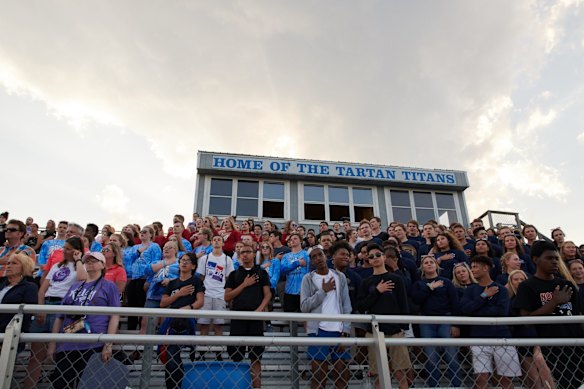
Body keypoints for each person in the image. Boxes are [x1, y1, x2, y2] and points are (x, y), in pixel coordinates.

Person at [514, 240, 584, 389]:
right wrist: (553, 303)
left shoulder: (567, 284)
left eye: (556, 258)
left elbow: (579, 314)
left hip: (577, 344)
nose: (554, 262)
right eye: (549, 258)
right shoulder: (527, 286)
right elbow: (526, 320)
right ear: (535, 259)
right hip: (551, 349)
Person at [47, 251, 120, 389]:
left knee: (87, 384)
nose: (90, 263)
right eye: (87, 261)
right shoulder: (75, 286)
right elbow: (60, 316)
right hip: (67, 343)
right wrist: (52, 343)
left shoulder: (109, 286)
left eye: (94, 260)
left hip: (93, 344)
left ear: (103, 265)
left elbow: (115, 316)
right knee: (61, 384)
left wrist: (108, 344)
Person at [25, 236, 88, 389]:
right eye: (64, 248)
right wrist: (41, 308)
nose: (64, 251)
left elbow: (82, 278)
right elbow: (43, 289)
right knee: (36, 354)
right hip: (47, 304)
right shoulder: (56, 266)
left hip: (64, 308)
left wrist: (78, 260)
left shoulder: (81, 266)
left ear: (76, 251)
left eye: (68, 248)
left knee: (59, 354)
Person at [460, 255, 521, 389]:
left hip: (501, 337)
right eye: (471, 267)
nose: (472, 270)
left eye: (475, 267)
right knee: (481, 380)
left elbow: (501, 312)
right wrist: (484, 296)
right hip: (479, 338)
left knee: (505, 381)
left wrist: (476, 311)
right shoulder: (470, 290)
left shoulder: (501, 289)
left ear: (485, 268)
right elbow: (465, 309)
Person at [356, 243, 411, 389]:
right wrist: (377, 291)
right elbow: (361, 306)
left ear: (384, 257)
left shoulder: (396, 279)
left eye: (378, 255)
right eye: (371, 256)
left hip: (395, 331)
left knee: (400, 373)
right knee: (379, 374)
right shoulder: (365, 282)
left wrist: (404, 328)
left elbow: (403, 303)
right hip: (374, 331)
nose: (375, 258)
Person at [300, 246, 352, 389]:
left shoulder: (339, 276)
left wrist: (346, 330)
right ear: (311, 261)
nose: (318, 258)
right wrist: (323, 291)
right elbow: (304, 306)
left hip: (339, 331)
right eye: (314, 256)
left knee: (342, 375)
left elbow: (346, 305)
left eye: (320, 255)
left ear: (325, 256)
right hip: (318, 331)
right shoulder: (307, 279)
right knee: (318, 376)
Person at [224, 242, 271, 388]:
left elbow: (268, 295)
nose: (245, 254)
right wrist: (244, 284)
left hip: (255, 320)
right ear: (239, 255)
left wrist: (259, 310)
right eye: (242, 252)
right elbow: (227, 297)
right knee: (236, 358)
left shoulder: (261, 273)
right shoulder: (233, 274)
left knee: (255, 358)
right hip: (238, 319)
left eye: (248, 251)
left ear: (254, 254)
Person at [411, 255, 461, 387]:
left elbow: (454, 303)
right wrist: (429, 288)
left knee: (451, 355)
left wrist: (455, 324)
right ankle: (434, 385)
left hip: (446, 319)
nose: (429, 264)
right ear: (422, 268)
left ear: (436, 265)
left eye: (431, 262)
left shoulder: (446, 282)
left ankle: (457, 385)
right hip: (427, 321)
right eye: (426, 263)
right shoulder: (419, 284)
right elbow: (416, 300)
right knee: (431, 356)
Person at [159, 252, 205, 389]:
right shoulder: (172, 283)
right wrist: (179, 293)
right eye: (182, 260)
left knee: (173, 357)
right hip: (171, 323)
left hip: (186, 322)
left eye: (187, 261)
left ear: (193, 266)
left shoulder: (196, 281)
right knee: (171, 357)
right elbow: (163, 303)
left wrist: (188, 308)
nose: (184, 263)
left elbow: (200, 302)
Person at [506, 269, 554, 389]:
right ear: (510, 282)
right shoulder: (509, 300)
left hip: (537, 335)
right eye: (516, 279)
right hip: (520, 338)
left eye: (522, 279)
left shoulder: (534, 297)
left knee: (541, 363)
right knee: (531, 374)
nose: (519, 281)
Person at [196, 235, 234, 360]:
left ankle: (218, 353)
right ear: (211, 242)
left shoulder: (227, 259)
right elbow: (201, 276)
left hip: (220, 295)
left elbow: (229, 278)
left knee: (218, 326)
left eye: (219, 239)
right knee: (204, 325)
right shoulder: (205, 258)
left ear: (223, 243)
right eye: (214, 239)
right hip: (207, 294)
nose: (217, 241)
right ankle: (201, 353)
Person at [125, 225, 162, 331]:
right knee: (131, 308)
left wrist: (149, 280)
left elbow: (155, 263)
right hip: (133, 279)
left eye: (145, 232)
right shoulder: (135, 247)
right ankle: (129, 332)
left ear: (151, 234)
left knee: (142, 307)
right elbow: (128, 260)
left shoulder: (155, 246)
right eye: (141, 231)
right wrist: (138, 252)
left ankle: (142, 335)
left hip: (145, 279)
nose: (142, 233)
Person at [0, 253, 38, 334]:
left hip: (12, 331)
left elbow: (28, 313)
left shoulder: (30, 287)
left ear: (24, 267)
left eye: (14, 263)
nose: (9, 266)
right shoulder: (1, 284)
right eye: (8, 263)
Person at [280, 233, 310, 313]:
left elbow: (310, 272)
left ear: (301, 241)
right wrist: (296, 263)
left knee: (305, 317)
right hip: (290, 291)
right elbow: (283, 271)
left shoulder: (307, 254)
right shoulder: (286, 256)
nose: (292, 240)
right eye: (290, 239)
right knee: (290, 318)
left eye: (295, 238)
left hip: (304, 291)